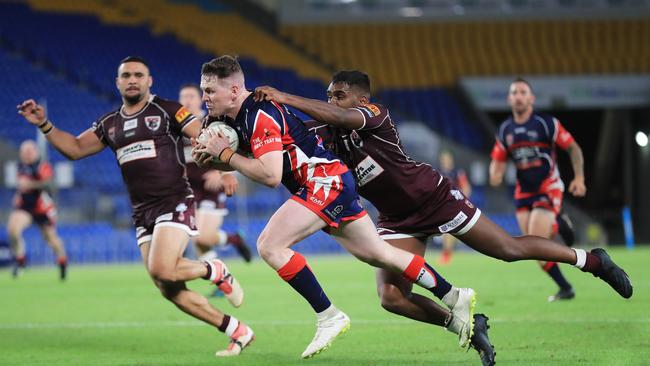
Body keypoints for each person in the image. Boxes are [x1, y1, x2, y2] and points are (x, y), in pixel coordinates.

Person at [252, 70, 633, 360]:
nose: (332, 99)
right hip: (396, 217)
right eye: (329, 95)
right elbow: (289, 131)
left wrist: (286, 94)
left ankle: (592, 261)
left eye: (339, 94)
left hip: (433, 196)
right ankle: (464, 325)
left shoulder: (373, 113)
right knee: (390, 297)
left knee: (507, 249)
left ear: (360, 96)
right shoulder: (328, 127)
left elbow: (340, 117)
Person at [194, 56, 485, 361]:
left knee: (270, 245)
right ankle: (454, 295)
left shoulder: (259, 114)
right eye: (204, 90)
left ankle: (328, 315)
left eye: (211, 91)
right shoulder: (230, 119)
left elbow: (269, 175)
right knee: (379, 254)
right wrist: (213, 157)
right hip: (330, 180)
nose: (205, 98)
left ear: (234, 89)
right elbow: (248, 160)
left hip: (323, 181)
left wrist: (225, 155)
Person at [17, 56, 254, 357]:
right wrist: (44, 124)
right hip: (142, 212)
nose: (132, 79)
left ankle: (213, 268)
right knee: (166, 287)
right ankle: (237, 331)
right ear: (117, 82)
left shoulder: (168, 110)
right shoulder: (110, 123)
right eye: (126, 75)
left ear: (149, 80)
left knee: (162, 267)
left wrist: (226, 168)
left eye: (138, 75)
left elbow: (206, 136)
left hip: (174, 200)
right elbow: (75, 149)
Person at [489, 78, 584, 301]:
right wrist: (495, 172)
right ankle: (566, 288)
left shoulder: (546, 123)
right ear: (509, 98)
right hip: (524, 191)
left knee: (535, 237)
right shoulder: (505, 130)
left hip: (547, 187)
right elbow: (497, 159)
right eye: (514, 92)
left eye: (523, 92)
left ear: (531, 98)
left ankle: (557, 222)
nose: (519, 96)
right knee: (532, 247)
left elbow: (573, 148)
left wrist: (579, 178)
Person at [178, 83, 252, 264]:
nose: (187, 101)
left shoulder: (212, 123)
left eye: (191, 96)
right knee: (197, 239)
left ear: (200, 100)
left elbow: (233, 151)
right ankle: (222, 282)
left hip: (211, 188)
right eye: (183, 97)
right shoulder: (176, 129)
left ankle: (235, 240)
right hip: (189, 189)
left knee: (201, 237)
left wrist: (220, 173)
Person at [7, 140, 67, 280]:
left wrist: (31, 184)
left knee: (51, 240)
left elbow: (49, 184)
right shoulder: (20, 166)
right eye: (24, 152)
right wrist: (18, 194)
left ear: (36, 153)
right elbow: (22, 185)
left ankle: (62, 261)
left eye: (29, 152)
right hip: (26, 206)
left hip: (42, 207)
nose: (27, 155)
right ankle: (21, 260)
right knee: (13, 229)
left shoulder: (43, 166)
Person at [437, 149, 472, 265]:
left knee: (449, 231)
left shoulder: (457, 172)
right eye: (443, 160)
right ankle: (446, 253)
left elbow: (466, 187)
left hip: (454, 206)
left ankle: (447, 255)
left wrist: (461, 200)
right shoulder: (438, 173)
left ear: (451, 161)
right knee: (447, 232)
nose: (445, 162)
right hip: (441, 206)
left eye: (447, 159)